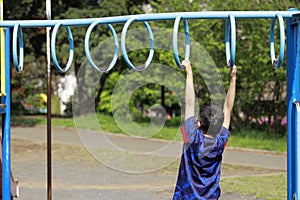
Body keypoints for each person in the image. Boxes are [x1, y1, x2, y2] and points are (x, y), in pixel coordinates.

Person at [173, 60, 237, 200]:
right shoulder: (220, 142)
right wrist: (233, 77)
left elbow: (189, 102)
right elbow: (228, 108)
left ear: (200, 123)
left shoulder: (191, 137)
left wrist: (189, 72)